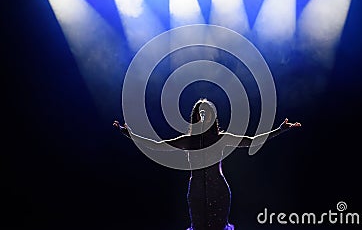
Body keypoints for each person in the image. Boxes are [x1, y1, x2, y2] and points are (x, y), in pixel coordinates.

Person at [113, 98, 301, 230]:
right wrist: (129, 135)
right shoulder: (188, 140)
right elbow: (157, 145)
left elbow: (251, 140)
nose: (203, 114)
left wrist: (280, 130)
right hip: (196, 190)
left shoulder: (222, 138)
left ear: (212, 115)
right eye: (200, 112)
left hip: (218, 189)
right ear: (196, 116)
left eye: (207, 111)